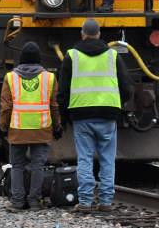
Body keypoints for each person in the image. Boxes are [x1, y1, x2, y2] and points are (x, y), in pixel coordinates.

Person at [57, 18, 132, 212]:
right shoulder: (112, 55)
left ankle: (85, 201)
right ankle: (106, 201)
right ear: (99, 34)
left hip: (81, 115)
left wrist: (63, 115)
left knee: (85, 158)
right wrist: (117, 104)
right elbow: (126, 87)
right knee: (107, 159)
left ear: (82, 34)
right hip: (108, 113)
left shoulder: (71, 56)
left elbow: (63, 91)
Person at [0, 41, 62, 212]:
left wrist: (2, 127)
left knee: (17, 165)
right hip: (41, 129)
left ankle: (18, 202)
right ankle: (35, 201)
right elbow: (54, 106)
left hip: (18, 129)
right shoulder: (49, 78)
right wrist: (57, 126)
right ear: (38, 60)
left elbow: (6, 107)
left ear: (21, 60)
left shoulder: (10, 77)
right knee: (38, 165)